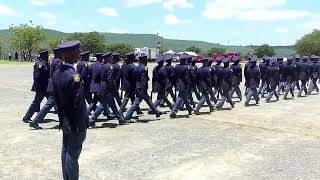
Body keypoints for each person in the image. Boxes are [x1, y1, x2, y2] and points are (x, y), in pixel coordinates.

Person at [53, 40, 89, 180]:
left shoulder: (57, 73)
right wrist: (80, 125)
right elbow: (78, 104)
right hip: (76, 122)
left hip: (66, 120)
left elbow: (56, 98)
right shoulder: (74, 76)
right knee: (72, 155)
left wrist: (63, 119)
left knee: (66, 151)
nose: (79, 54)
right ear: (72, 54)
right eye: (77, 51)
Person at [89, 52, 127, 127]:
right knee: (103, 105)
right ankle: (92, 119)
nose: (112, 58)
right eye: (111, 57)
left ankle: (120, 119)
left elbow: (98, 77)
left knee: (113, 105)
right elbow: (110, 79)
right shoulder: (109, 67)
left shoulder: (101, 66)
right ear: (108, 58)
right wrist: (113, 89)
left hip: (102, 86)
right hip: (107, 88)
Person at [29, 48, 62, 129]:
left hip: (50, 85)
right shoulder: (58, 62)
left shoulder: (54, 60)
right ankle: (35, 121)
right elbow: (57, 75)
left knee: (58, 104)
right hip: (54, 86)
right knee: (49, 104)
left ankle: (63, 121)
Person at [124, 53, 162, 121]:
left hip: (137, 87)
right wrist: (143, 89)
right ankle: (127, 116)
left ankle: (157, 112)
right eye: (146, 60)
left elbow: (135, 79)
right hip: (142, 89)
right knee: (136, 103)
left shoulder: (136, 68)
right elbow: (143, 80)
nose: (146, 61)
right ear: (144, 60)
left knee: (148, 101)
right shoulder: (144, 68)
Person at [22, 50, 50, 123]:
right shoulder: (39, 64)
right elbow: (36, 77)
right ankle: (27, 117)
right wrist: (38, 87)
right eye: (46, 55)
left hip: (46, 87)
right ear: (43, 55)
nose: (48, 56)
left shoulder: (46, 63)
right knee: (37, 102)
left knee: (52, 101)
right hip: (41, 88)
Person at [170, 54, 193, 118]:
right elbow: (186, 77)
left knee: (184, 97)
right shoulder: (186, 67)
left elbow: (173, 76)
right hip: (183, 84)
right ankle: (173, 111)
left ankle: (189, 109)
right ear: (185, 60)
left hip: (178, 83)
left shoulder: (176, 66)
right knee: (180, 97)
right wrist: (189, 83)